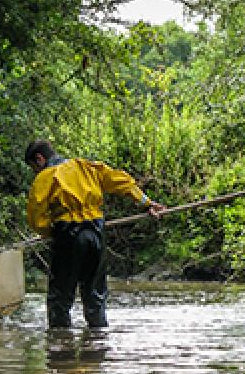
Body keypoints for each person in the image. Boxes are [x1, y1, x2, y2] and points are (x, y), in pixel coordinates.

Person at [24, 140, 165, 328]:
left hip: (68, 235)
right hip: (95, 233)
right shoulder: (86, 167)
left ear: (39, 159)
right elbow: (121, 182)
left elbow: (36, 219)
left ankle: (60, 350)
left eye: (34, 167)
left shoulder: (45, 177)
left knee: (60, 300)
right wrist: (147, 203)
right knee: (95, 298)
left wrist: (49, 232)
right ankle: (97, 348)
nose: (35, 172)